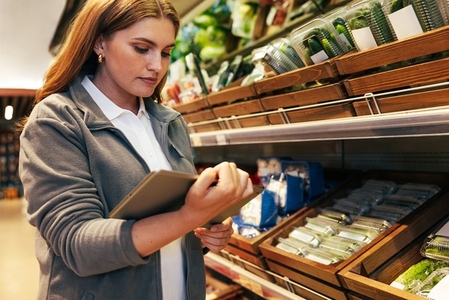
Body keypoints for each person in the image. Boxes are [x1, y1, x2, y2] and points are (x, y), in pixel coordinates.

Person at [18, 0, 254, 299]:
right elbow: (77, 245)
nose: (157, 65)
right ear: (99, 42)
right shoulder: (57, 120)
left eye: (166, 52)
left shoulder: (169, 122)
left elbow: (167, 226)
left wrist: (205, 231)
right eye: (142, 48)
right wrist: (189, 216)